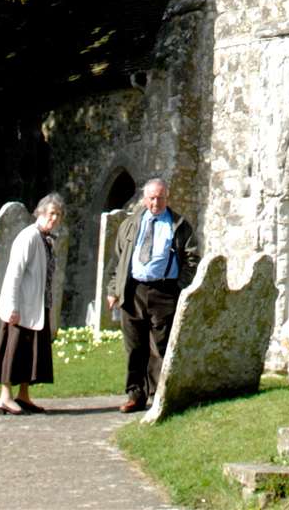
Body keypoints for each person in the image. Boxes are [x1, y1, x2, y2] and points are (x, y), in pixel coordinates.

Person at [106, 176, 199, 413]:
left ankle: (159, 396)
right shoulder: (131, 224)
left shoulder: (179, 224)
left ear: (167, 198)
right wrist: (113, 290)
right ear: (144, 199)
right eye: (151, 198)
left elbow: (191, 257)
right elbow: (118, 259)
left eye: (160, 198)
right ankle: (135, 395)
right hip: (134, 289)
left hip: (164, 291)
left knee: (161, 344)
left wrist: (180, 284)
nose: (155, 203)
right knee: (134, 346)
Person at [0, 193, 65, 415]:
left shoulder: (45, 239)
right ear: (40, 213)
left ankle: (24, 396)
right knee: (13, 350)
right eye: (51, 213)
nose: (54, 218)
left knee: (30, 353)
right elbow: (14, 274)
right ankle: (5, 397)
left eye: (58, 215)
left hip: (38, 305)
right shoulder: (28, 237)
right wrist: (11, 307)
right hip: (21, 307)